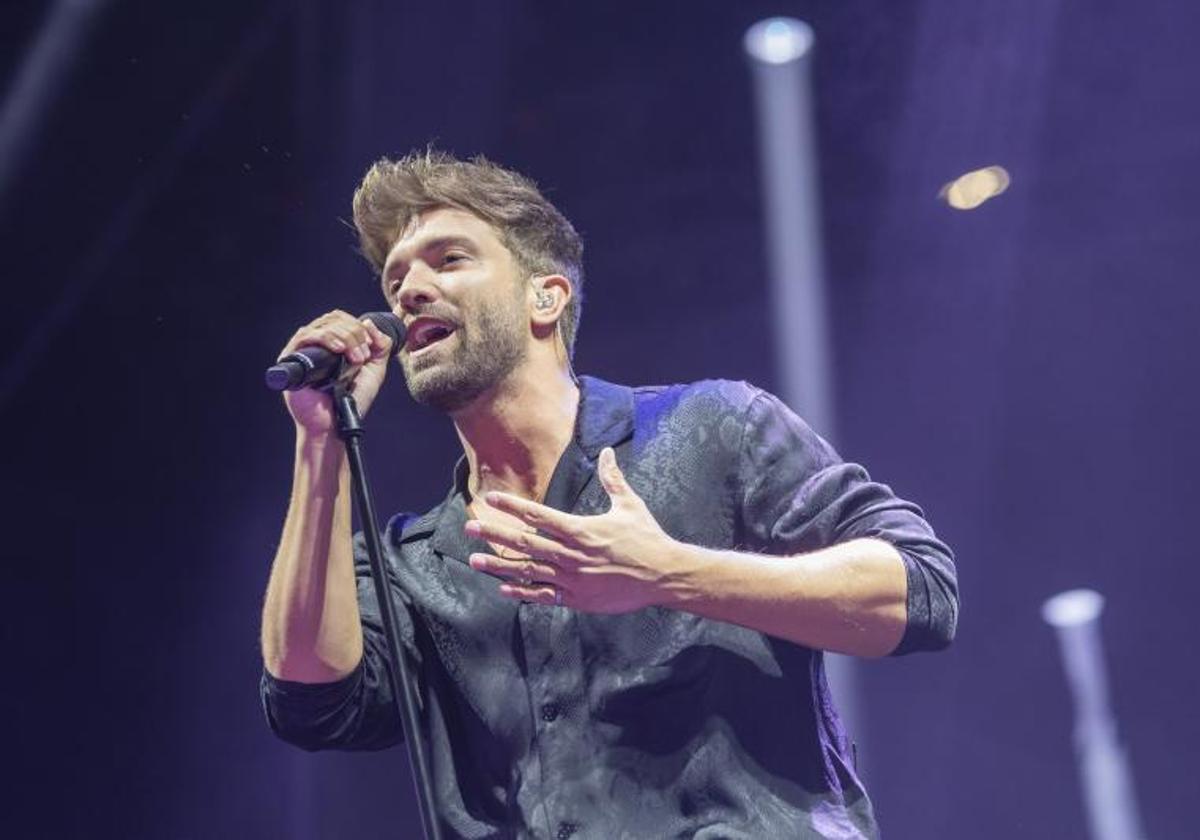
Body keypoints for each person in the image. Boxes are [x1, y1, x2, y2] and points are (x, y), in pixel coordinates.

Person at [259, 150, 959, 840]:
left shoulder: (714, 428)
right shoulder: (413, 562)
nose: (408, 291)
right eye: (394, 281)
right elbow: (314, 701)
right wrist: (319, 443)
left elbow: (920, 593)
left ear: (545, 296)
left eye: (448, 259)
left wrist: (665, 573)